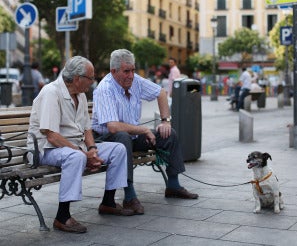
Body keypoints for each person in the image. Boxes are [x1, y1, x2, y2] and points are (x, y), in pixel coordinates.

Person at [27, 56, 134, 234]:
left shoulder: (81, 95)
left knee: (118, 149)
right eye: (90, 78)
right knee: (76, 157)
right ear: (77, 78)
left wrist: (92, 150)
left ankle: (108, 202)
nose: (92, 82)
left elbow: (87, 130)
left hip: (74, 147)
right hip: (44, 149)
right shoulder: (51, 92)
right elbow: (51, 136)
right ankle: (62, 216)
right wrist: (84, 155)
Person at [91, 49, 199, 215]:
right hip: (107, 139)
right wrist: (143, 129)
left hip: (132, 136)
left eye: (133, 70)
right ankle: (129, 195)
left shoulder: (135, 81)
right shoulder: (105, 89)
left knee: (169, 134)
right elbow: (113, 127)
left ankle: (173, 185)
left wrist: (165, 121)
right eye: (126, 71)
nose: (131, 75)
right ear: (114, 71)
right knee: (122, 137)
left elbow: (161, 92)